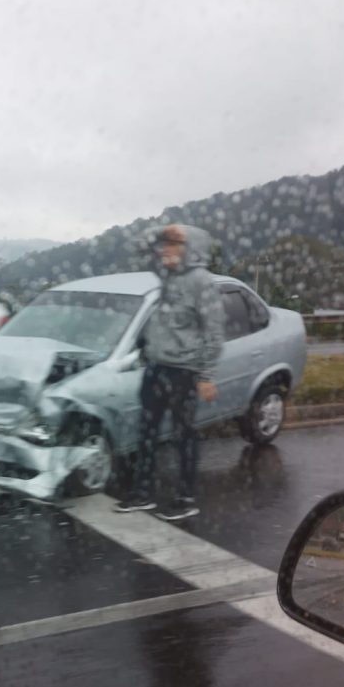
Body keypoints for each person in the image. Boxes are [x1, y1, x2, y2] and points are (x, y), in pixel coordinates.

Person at [115, 223, 225, 521]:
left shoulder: (202, 282)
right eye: (165, 244)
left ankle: (186, 497)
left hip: (183, 372)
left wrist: (205, 376)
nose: (165, 248)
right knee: (146, 432)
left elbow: (214, 332)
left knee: (183, 436)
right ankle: (143, 493)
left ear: (191, 248)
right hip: (156, 368)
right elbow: (140, 251)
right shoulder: (167, 275)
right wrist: (160, 231)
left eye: (173, 244)